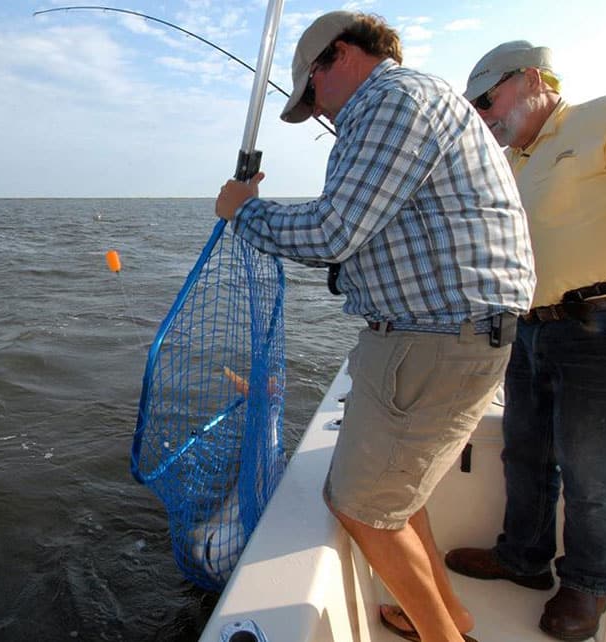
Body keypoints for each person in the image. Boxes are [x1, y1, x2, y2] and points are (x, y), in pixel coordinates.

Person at [214, 11, 535, 642]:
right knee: (395, 496)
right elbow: (366, 228)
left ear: (338, 57)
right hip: (444, 334)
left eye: (312, 95)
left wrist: (243, 212)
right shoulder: (413, 100)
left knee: (362, 507)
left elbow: (334, 230)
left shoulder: (389, 101)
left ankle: (447, 636)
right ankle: (452, 615)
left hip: (437, 337)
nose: (321, 113)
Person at [445, 41, 606, 640]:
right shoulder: (511, 163)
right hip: (529, 330)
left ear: (531, 77)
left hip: (605, 327)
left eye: (487, 99)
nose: (483, 115)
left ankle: (587, 589)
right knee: (524, 452)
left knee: (592, 470)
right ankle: (523, 558)